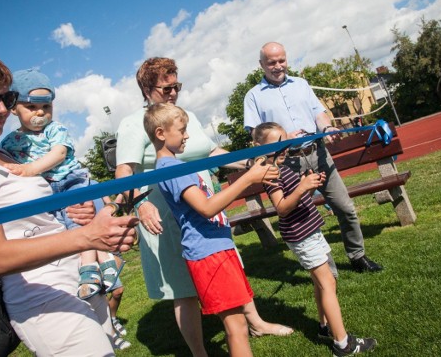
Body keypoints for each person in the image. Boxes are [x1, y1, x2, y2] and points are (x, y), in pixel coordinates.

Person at [0, 53, 138, 355]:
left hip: (74, 276)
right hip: (39, 296)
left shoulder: (8, 155)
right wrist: (86, 236)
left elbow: (42, 215)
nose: (2, 109)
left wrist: (79, 212)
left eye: (8, 98)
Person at [115, 57, 293, 356]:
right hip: (163, 216)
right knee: (183, 289)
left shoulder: (184, 117)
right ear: (147, 88)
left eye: (177, 86)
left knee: (228, 266)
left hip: (205, 209)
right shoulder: (135, 123)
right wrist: (140, 203)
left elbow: (212, 152)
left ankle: (255, 323)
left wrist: (251, 162)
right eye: (166, 88)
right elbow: (125, 171)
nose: (173, 93)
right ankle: (200, 352)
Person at [145, 103, 280, 356]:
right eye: (182, 130)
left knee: (237, 322)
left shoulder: (175, 165)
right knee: (237, 326)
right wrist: (249, 178)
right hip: (209, 254)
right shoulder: (171, 169)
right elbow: (206, 208)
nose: (187, 135)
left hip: (217, 248)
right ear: (161, 133)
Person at [243, 42, 383, 273]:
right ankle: (323, 268)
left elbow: (319, 114)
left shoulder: (301, 84)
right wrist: (284, 137)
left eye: (282, 60)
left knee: (345, 207)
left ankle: (358, 256)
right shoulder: (253, 96)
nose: (278, 66)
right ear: (262, 65)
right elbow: (255, 133)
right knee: (302, 216)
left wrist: (326, 128)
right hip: (286, 163)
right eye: (272, 62)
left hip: (318, 154)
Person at [253, 122, 377, 356]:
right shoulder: (269, 174)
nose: (284, 150)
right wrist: (302, 188)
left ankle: (324, 327)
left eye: (285, 143)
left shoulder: (282, 167)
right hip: (301, 235)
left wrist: (309, 186)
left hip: (310, 229)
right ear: (259, 148)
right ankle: (343, 344)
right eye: (277, 145)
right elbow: (281, 207)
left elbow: (297, 197)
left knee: (324, 281)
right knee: (328, 282)